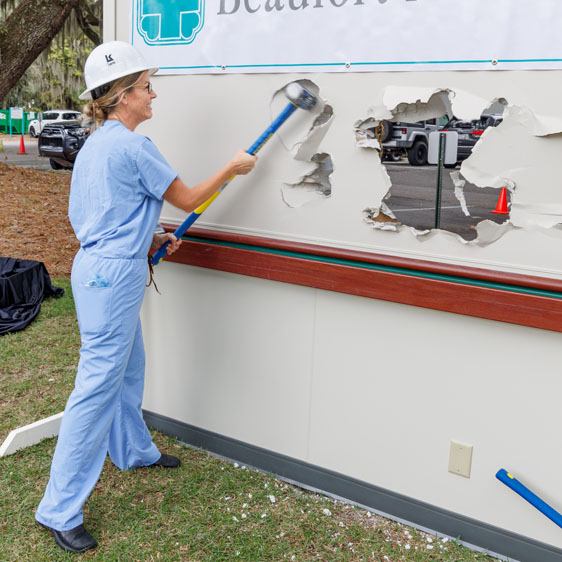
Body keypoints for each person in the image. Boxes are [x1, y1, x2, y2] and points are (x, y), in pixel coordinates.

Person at [35, 40, 257, 553]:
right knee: (95, 391)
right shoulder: (135, 147)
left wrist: (148, 238)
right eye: (145, 87)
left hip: (99, 267)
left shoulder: (96, 143)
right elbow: (190, 198)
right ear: (120, 96)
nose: (153, 94)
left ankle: (132, 449)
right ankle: (58, 508)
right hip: (113, 277)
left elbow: (105, 213)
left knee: (128, 364)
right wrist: (232, 168)